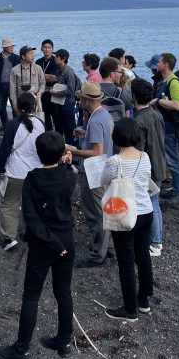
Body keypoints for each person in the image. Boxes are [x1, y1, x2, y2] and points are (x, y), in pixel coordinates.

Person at [0, 131, 76, 359]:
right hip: (66, 240)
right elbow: (66, 176)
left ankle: (21, 349)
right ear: (62, 153)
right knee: (64, 292)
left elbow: (31, 219)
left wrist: (53, 244)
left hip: (43, 243)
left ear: (38, 153)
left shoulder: (33, 179)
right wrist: (65, 164)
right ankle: (64, 342)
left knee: (31, 296)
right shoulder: (69, 176)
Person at [100, 118, 153, 322]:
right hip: (146, 211)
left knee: (126, 260)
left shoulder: (115, 161)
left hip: (125, 213)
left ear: (117, 137)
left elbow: (103, 180)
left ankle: (130, 309)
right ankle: (143, 301)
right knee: (143, 255)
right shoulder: (144, 157)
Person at [65, 82, 114, 268]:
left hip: (95, 170)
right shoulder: (104, 114)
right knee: (103, 210)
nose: (79, 101)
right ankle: (109, 248)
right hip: (106, 168)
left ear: (86, 100)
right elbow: (102, 143)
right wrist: (85, 134)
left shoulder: (94, 120)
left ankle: (97, 254)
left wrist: (73, 150)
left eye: (81, 98)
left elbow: (96, 152)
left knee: (95, 213)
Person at [0, 92, 46, 251]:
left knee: (10, 204)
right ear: (34, 107)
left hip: (16, 171)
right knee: (31, 204)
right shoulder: (40, 124)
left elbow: (5, 148)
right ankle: (30, 233)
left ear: (17, 106)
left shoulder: (13, 124)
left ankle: (8, 238)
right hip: (35, 171)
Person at [131, 79, 167, 257]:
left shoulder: (139, 120)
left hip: (148, 167)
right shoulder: (156, 113)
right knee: (155, 203)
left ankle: (154, 242)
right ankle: (156, 240)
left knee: (150, 204)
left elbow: (138, 149)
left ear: (134, 96)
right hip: (159, 162)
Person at [151, 53, 179, 199]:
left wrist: (158, 101)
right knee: (169, 159)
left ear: (165, 64)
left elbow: (177, 105)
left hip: (170, 128)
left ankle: (178, 192)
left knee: (173, 160)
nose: (157, 64)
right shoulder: (165, 81)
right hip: (164, 126)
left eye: (159, 62)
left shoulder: (174, 82)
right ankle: (176, 189)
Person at [53, 49, 81, 146]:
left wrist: (56, 93)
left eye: (57, 57)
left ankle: (75, 148)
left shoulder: (68, 72)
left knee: (70, 128)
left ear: (63, 58)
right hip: (61, 103)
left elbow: (70, 91)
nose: (55, 58)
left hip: (68, 104)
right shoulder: (59, 70)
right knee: (63, 127)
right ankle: (68, 147)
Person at [0, 38, 20, 127]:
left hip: (12, 86)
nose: (12, 47)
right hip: (1, 85)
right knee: (1, 107)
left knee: (15, 107)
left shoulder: (16, 58)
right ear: (4, 47)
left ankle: (15, 126)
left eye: (12, 46)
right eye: (9, 46)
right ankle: (5, 125)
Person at [10, 46, 44, 113]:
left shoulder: (38, 68)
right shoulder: (14, 70)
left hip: (35, 100)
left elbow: (42, 82)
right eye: (30, 53)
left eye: (33, 53)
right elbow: (12, 88)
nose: (33, 55)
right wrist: (14, 103)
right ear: (23, 56)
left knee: (36, 118)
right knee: (22, 119)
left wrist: (40, 91)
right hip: (21, 100)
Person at [37, 39, 61, 131]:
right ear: (41, 49)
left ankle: (58, 136)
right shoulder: (39, 62)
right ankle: (48, 135)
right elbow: (35, 76)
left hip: (53, 92)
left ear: (52, 49)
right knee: (45, 117)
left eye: (49, 47)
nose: (47, 49)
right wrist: (46, 76)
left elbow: (54, 78)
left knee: (56, 118)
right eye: (45, 47)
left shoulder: (55, 61)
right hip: (42, 92)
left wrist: (40, 76)